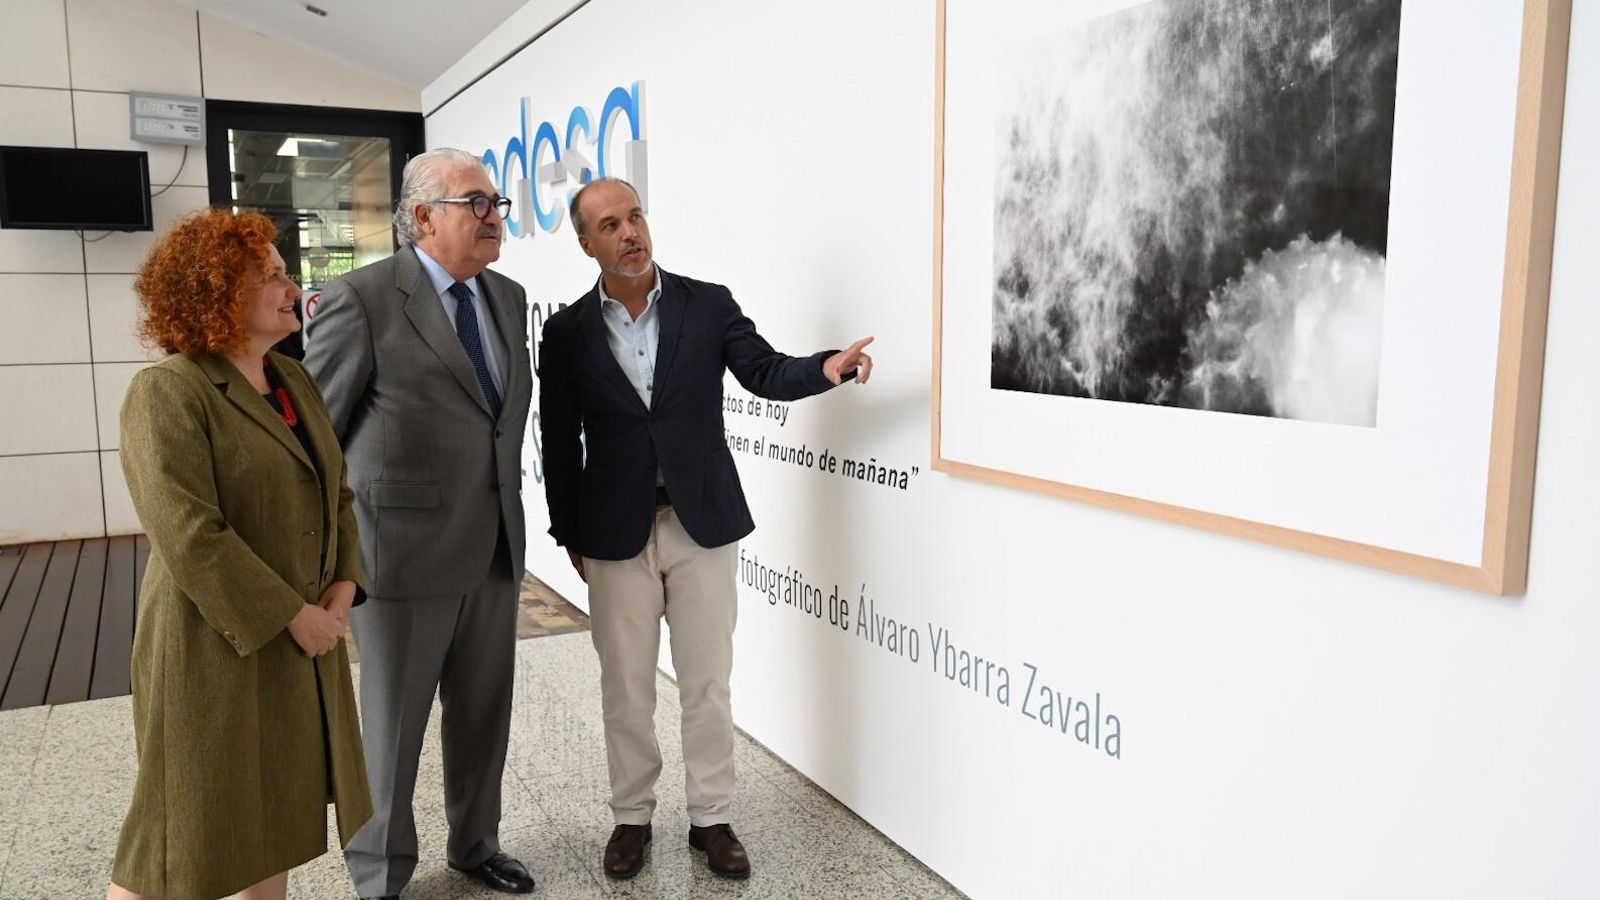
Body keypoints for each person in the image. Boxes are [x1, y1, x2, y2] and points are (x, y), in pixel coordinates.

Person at [537, 177, 874, 881]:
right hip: (613, 534)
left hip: (702, 525)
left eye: (635, 216)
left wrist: (827, 368)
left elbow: (764, 371)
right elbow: (560, 443)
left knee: (707, 682)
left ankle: (711, 819)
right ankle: (632, 818)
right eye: (610, 225)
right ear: (586, 243)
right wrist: (569, 534)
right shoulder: (567, 333)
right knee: (625, 687)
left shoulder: (707, 304)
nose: (630, 232)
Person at [108, 209, 372, 900]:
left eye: (287, 273)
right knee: (176, 836)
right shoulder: (168, 390)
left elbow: (337, 490)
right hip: (212, 646)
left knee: (272, 817)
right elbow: (189, 533)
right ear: (218, 293)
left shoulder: (292, 380)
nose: (293, 288)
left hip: (298, 640)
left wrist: (345, 582)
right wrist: (294, 615)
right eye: (271, 277)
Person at [303, 148, 535, 899]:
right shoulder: (363, 298)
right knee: (393, 730)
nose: (494, 216)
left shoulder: (507, 298)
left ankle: (476, 844)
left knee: (483, 717)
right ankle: (380, 874)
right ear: (424, 215)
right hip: (399, 557)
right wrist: (329, 561)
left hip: (494, 549)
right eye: (477, 203)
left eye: (496, 202)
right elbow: (317, 441)